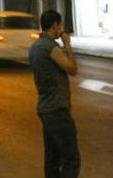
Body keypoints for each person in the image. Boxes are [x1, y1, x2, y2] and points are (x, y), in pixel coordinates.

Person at [29, 9, 80, 178]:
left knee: (51, 158)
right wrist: (68, 45)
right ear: (54, 25)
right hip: (57, 108)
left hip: (45, 107)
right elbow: (72, 69)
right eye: (60, 25)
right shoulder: (51, 47)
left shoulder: (35, 46)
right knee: (71, 158)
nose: (62, 29)